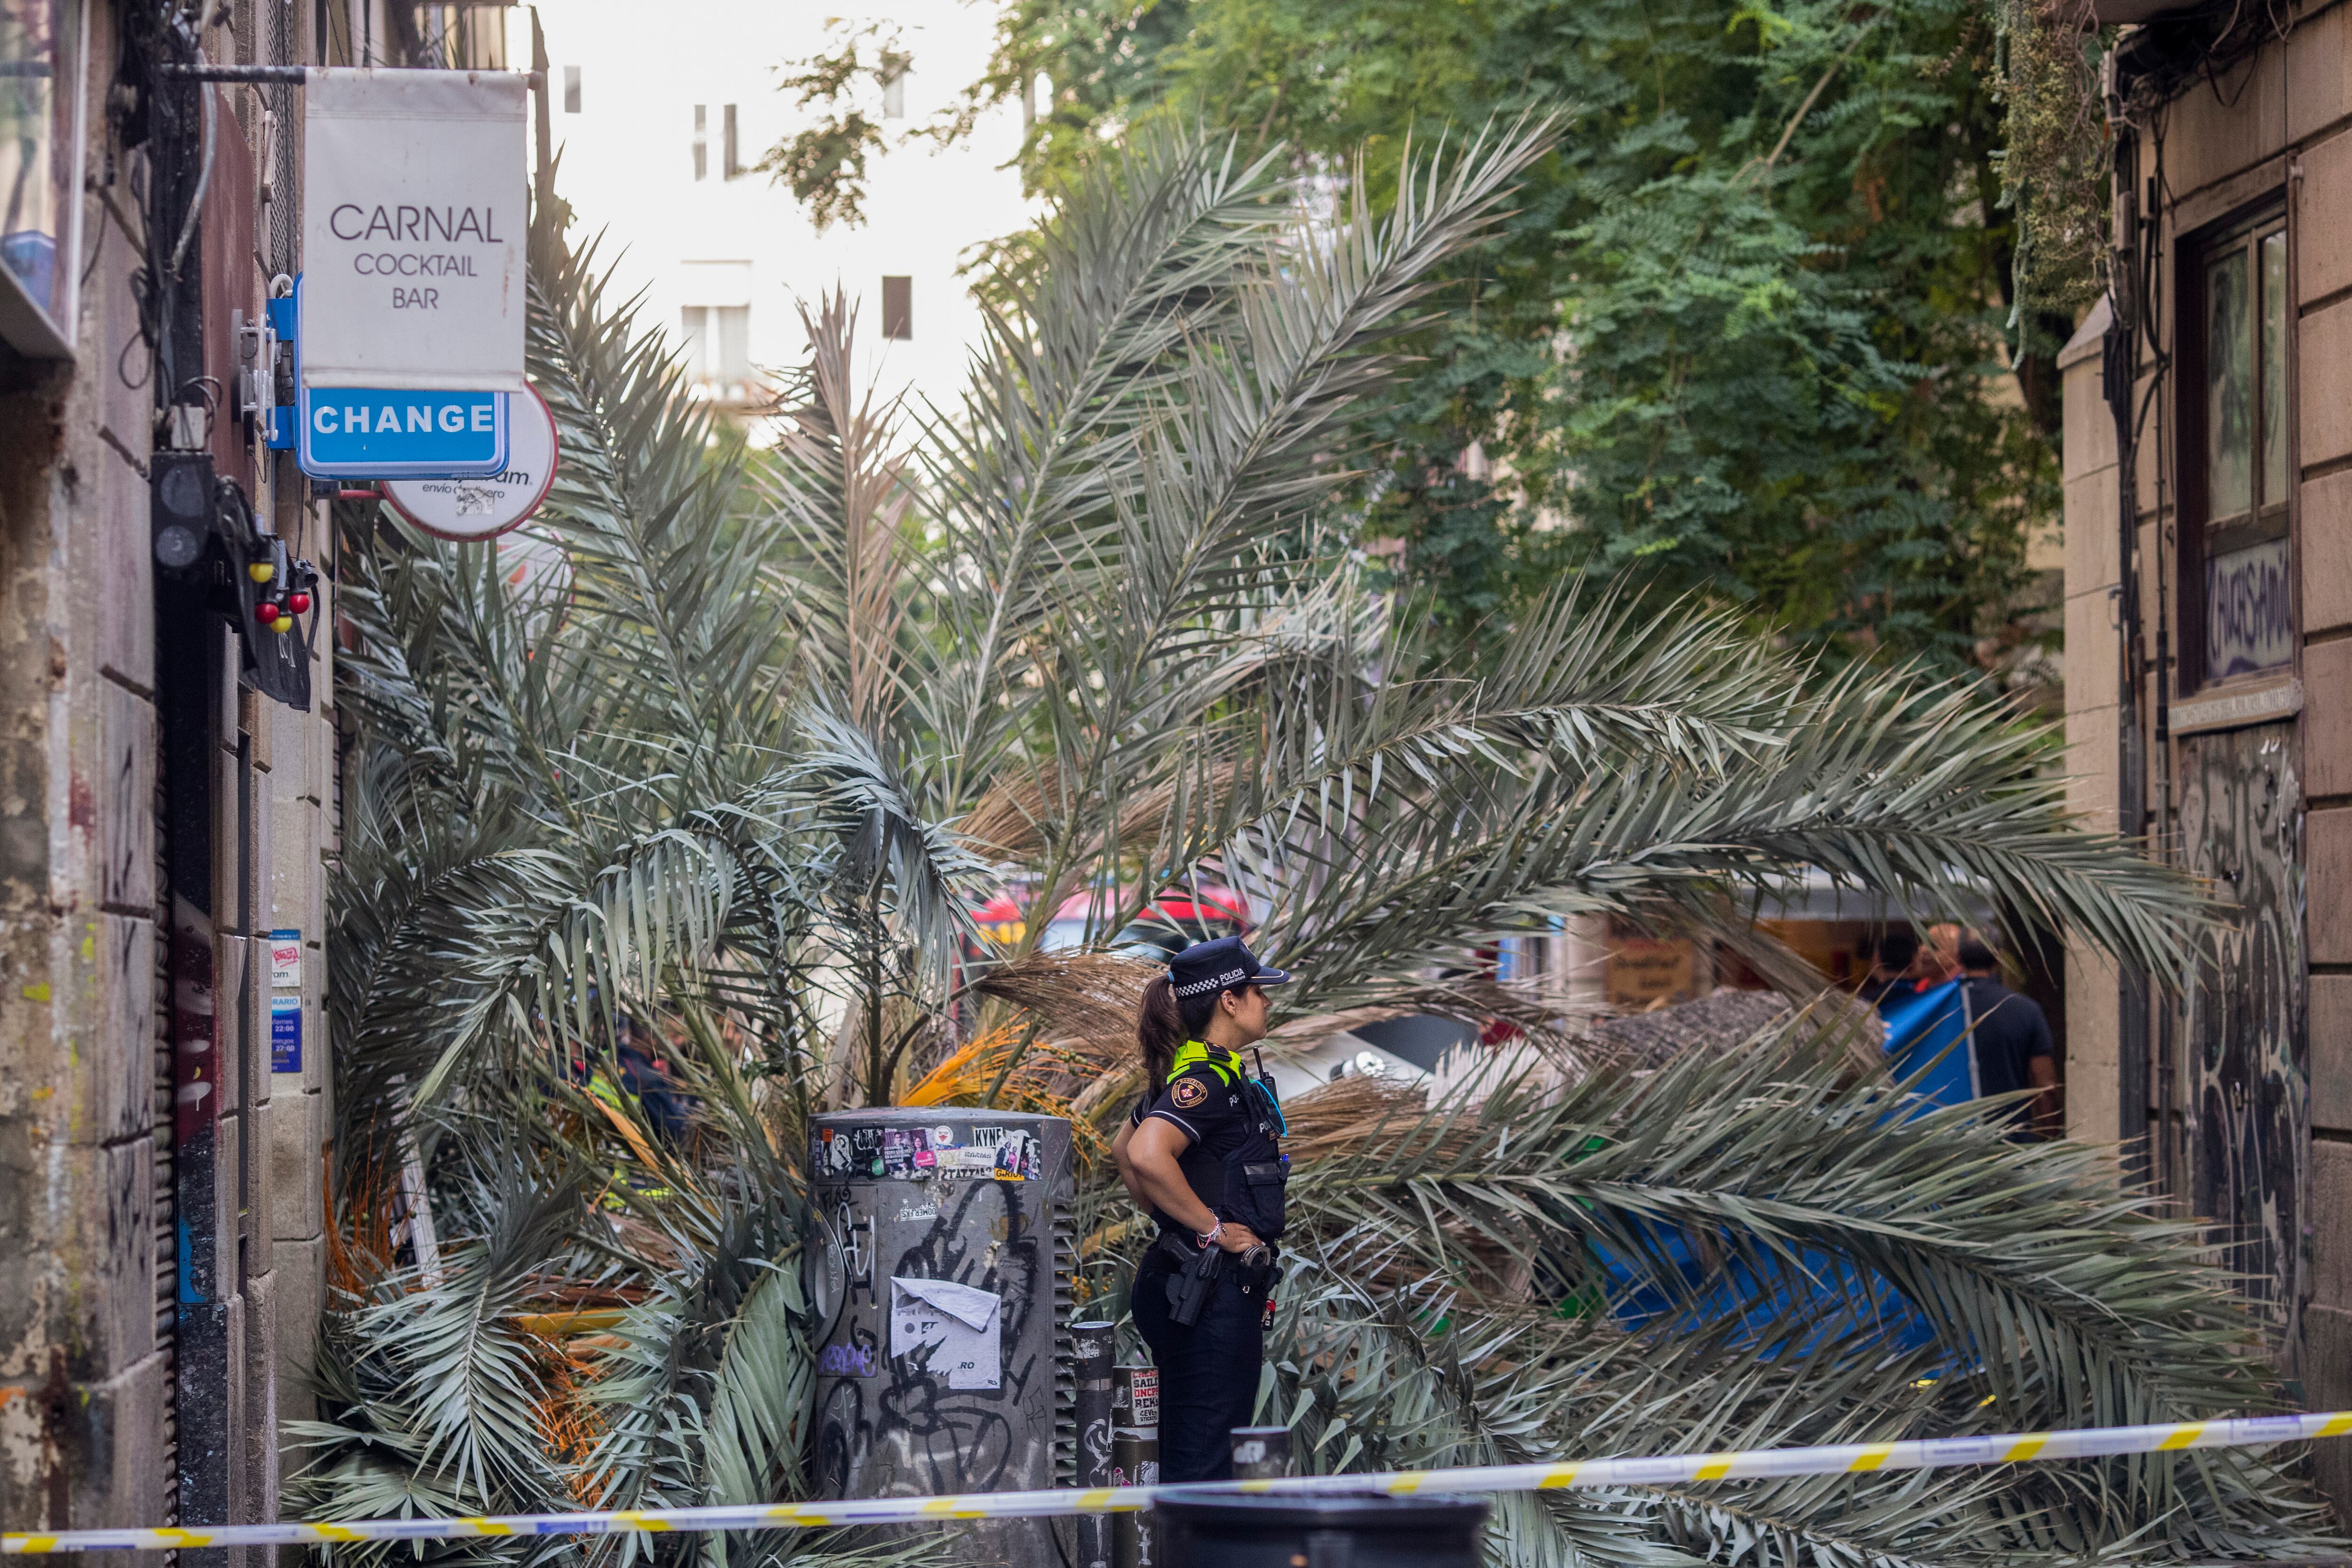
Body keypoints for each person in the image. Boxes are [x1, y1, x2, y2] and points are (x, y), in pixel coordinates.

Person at [1110, 934, 1292, 1483]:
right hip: (1207, 1296)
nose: (1267, 1000)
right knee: (1202, 1472)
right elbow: (1144, 1152)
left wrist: (1170, 1219)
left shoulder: (1204, 1075)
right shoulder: (1205, 1083)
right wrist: (1210, 1229)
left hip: (1193, 1286)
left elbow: (1124, 1149)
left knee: (1199, 1456)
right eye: (1258, 990)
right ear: (1229, 1001)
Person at [1956, 937, 2058, 1137]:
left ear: (1958, 958)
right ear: (1999, 957)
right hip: (2012, 1141)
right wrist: (2052, 1139)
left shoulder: (1942, 1010)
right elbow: (2046, 1085)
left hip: (1950, 1144)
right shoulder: (2026, 1009)